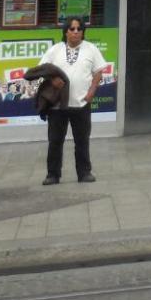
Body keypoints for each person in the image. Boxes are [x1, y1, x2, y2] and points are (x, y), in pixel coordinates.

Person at [37, 17, 107, 185]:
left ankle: (84, 173)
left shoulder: (91, 49)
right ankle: (53, 175)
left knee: (82, 140)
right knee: (55, 140)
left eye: (79, 29)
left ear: (83, 32)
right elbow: (42, 69)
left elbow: (98, 72)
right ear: (65, 31)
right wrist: (52, 79)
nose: (76, 32)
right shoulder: (55, 50)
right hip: (57, 105)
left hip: (81, 103)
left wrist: (91, 92)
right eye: (72, 28)